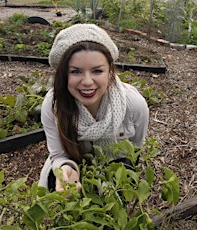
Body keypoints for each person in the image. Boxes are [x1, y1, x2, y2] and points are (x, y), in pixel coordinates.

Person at [38, 23, 149, 193]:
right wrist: (67, 170)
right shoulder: (53, 104)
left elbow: (134, 150)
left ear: (110, 72)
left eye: (97, 71)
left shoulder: (133, 105)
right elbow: (59, 154)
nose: (88, 81)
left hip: (114, 166)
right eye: (75, 72)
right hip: (75, 161)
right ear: (63, 74)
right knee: (57, 184)